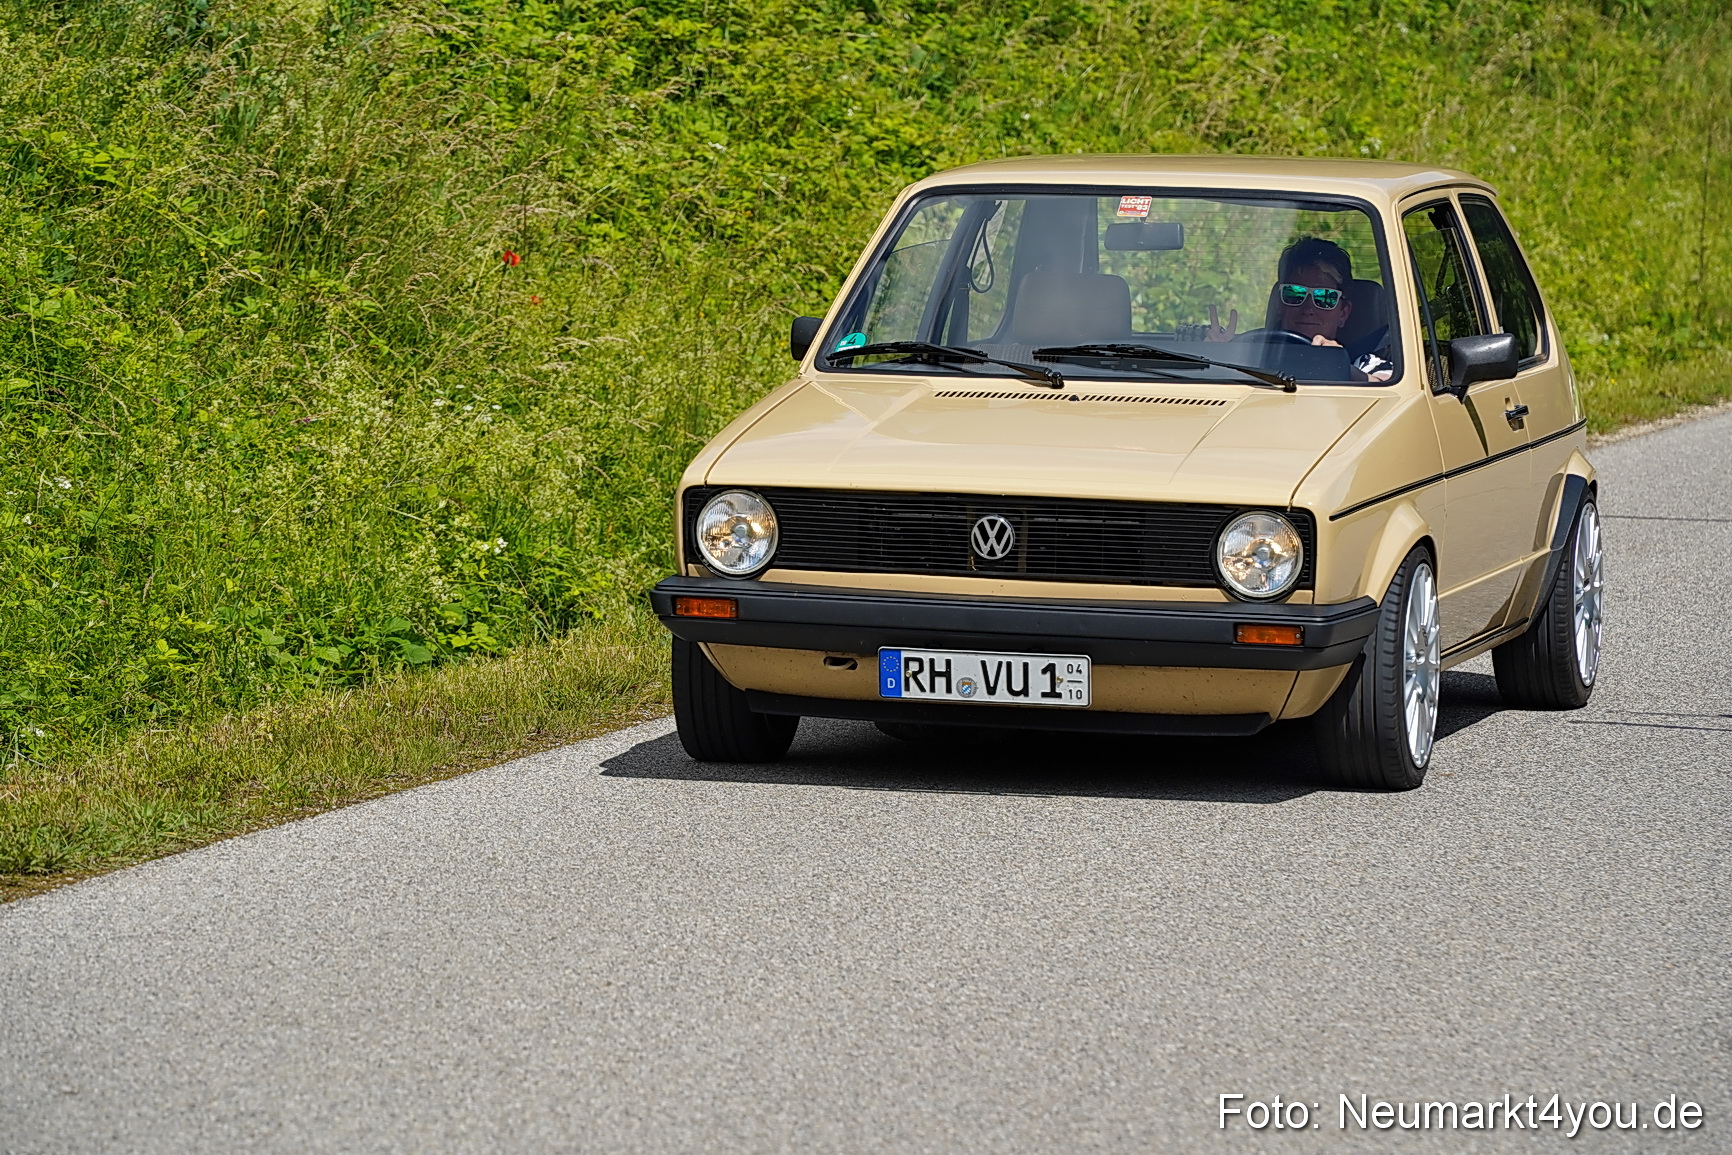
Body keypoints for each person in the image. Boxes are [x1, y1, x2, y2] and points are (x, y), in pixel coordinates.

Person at [1204, 236, 1393, 382]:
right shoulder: (1252, 356)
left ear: (1343, 313)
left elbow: (1387, 390)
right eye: (1294, 294)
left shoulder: (1365, 364)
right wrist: (1217, 357)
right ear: (1279, 305)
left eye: (1324, 297)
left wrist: (1339, 364)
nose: (1308, 308)